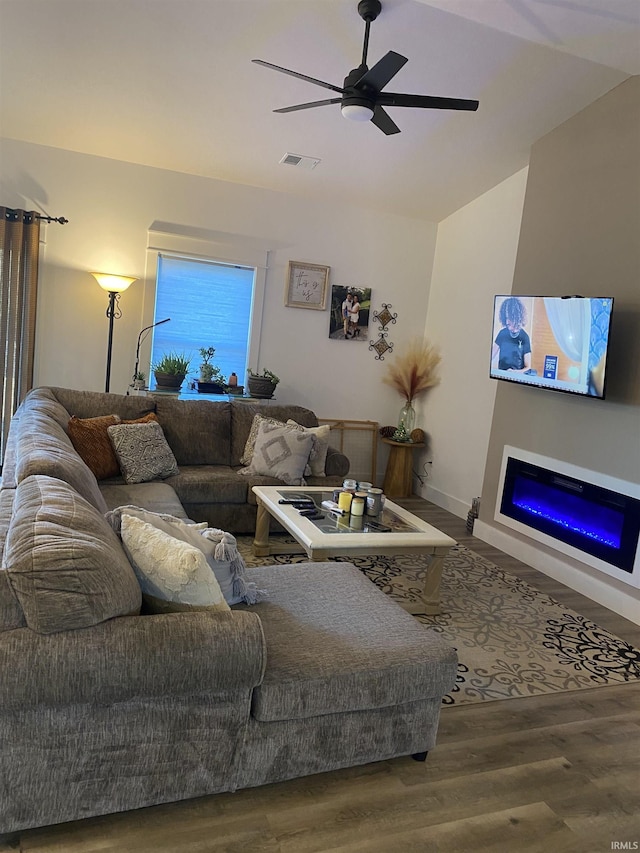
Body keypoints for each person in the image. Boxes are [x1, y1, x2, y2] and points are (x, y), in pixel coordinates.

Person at [491, 296, 532, 372]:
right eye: (507, 325)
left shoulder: (525, 337)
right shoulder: (502, 334)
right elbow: (491, 356)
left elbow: (528, 367)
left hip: (517, 377)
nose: (509, 327)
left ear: (516, 319)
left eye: (510, 323)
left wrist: (516, 372)